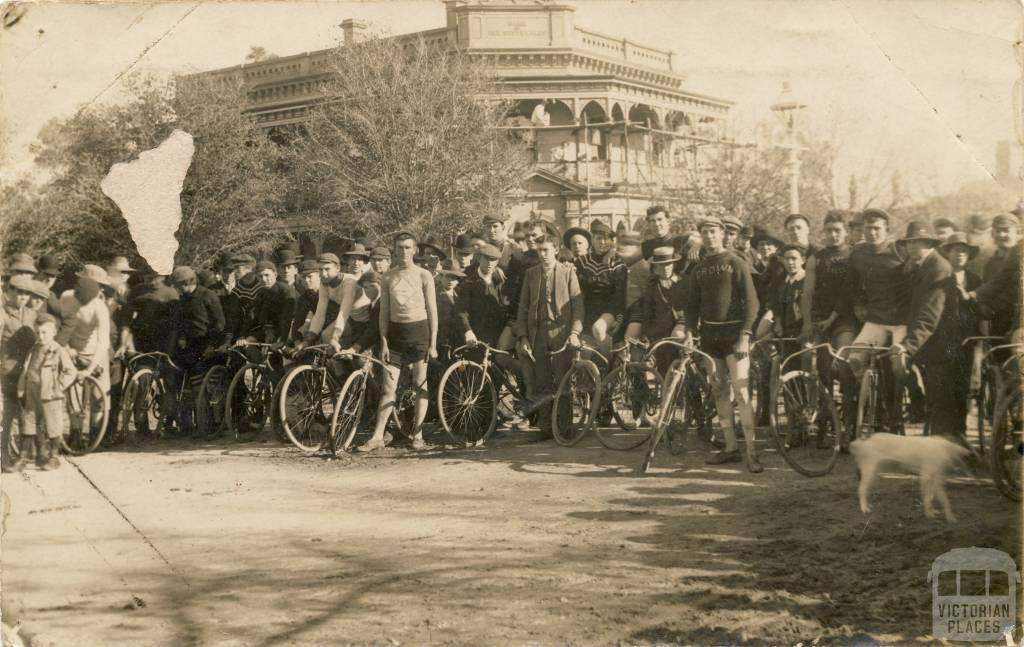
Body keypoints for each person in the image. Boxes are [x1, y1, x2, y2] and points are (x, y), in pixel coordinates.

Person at [683, 216, 762, 473]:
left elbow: (752, 303)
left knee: (741, 392)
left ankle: (752, 451)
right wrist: (689, 332)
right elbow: (692, 306)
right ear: (701, 236)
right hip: (710, 339)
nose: (709, 236)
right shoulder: (698, 269)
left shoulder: (735, 262)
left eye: (713, 231)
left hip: (734, 338)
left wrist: (745, 336)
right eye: (705, 232)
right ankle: (730, 447)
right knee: (719, 391)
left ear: (722, 233)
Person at [357, 232, 438, 452]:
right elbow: (384, 312)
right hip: (395, 336)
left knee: (420, 385)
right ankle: (377, 437)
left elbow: (432, 311)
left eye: (408, 247)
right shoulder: (388, 277)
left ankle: (418, 436)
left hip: (420, 333)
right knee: (388, 388)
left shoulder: (424, 275)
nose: (403, 252)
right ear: (394, 250)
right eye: (400, 247)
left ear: (415, 250)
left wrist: (433, 344)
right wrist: (383, 342)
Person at [894, 222, 961, 439]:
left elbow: (929, 315)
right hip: (928, 340)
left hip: (943, 344)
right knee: (901, 370)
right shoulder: (918, 265)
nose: (912, 248)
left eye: (918, 243)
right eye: (909, 244)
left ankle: (943, 451)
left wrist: (908, 346)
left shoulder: (938, 268)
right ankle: (920, 413)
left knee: (940, 400)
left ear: (929, 243)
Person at [515, 235, 583, 438]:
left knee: (563, 380)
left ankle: (564, 427)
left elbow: (578, 306)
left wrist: (574, 332)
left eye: (546, 250)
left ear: (556, 250)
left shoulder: (568, 272)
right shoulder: (531, 274)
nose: (543, 255)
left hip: (562, 333)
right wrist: (523, 336)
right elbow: (523, 308)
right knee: (542, 380)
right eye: (539, 251)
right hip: (538, 334)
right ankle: (545, 428)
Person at [13, 314, 76, 471]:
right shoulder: (34, 349)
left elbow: (71, 371)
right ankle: (23, 457)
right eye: (38, 333)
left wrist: (59, 387)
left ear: (53, 332)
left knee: (52, 425)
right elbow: (27, 369)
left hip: (50, 394)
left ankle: (54, 457)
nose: (41, 337)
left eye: (45, 333)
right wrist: (21, 389)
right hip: (32, 391)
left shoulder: (57, 350)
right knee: (29, 423)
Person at [168, 266, 225, 437]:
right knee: (188, 387)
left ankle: (211, 424)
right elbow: (181, 323)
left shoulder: (208, 295)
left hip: (208, 346)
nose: (176, 289)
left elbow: (220, 323)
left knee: (206, 388)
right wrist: (181, 338)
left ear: (187, 283)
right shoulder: (183, 299)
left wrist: (212, 345)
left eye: (178, 285)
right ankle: (188, 425)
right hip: (189, 347)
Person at [941, 232, 982, 438]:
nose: (959, 255)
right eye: (956, 250)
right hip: (945, 339)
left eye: (964, 251)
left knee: (963, 385)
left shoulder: (974, 279)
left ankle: (961, 430)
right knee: (945, 383)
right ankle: (945, 432)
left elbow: (981, 308)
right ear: (947, 253)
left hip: (967, 339)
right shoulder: (940, 277)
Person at [1, 275, 39, 472]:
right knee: (7, 416)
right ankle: (3, 456)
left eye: (26, 294)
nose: (23, 297)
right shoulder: (3, 315)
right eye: (19, 292)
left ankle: (25, 454)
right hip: (8, 373)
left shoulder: (32, 314)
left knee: (27, 413)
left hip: (28, 373)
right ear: (10, 292)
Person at [574, 220, 626, 358]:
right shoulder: (582, 262)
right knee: (584, 350)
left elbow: (620, 293)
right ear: (592, 239)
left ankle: (610, 370)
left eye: (607, 238)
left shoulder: (617, 262)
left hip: (609, 308)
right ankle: (593, 377)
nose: (603, 242)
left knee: (598, 328)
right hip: (588, 308)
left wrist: (619, 318)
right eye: (599, 238)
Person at [640, 247, 687, 375]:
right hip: (660, 333)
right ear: (655, 268)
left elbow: (689, 309)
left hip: (682, 328)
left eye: (668, 265)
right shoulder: (652, 288)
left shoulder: (683, 283)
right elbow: (647, 314)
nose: (665, 269)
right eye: (661, 266)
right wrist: (647, 334)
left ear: (674, 265)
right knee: (664, 369)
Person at [118, 270, 178, 355]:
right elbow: (127, 317)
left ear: (162, 277)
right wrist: (123, 342)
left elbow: (173, 326)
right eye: (148, 276)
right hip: (137, 337)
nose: (150, 280)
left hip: (158, 339)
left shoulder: (171, 294)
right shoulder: (138, 290)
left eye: (154, 277)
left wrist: (168, 350)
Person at [243, 261, 297, 347]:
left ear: (275, 274)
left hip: (287, 330)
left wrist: (282, 339)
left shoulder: (286, 291)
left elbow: (287, 318)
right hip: (268, 331)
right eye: (260, 276)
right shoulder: (261, 293)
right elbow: (253, 315)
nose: (263, 279)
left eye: (266, 275)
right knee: (248, 343)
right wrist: (242, 336)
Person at [641, 205, 701, 274]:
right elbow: (629, 259)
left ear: (668, 221)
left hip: (681, 283)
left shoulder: (680, 240)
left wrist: (696, 246)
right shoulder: (647, 245)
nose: (656, 224)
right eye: (652, 221)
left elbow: (699, 241)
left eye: (660, 219)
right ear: (648, 224)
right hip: (657, 284)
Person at [35, 253, 62, 319]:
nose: (49, 279)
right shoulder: (24, 289)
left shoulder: (50, 296)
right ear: (38, 272)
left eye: (53, 276)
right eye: (47, 274)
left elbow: (67, 315)